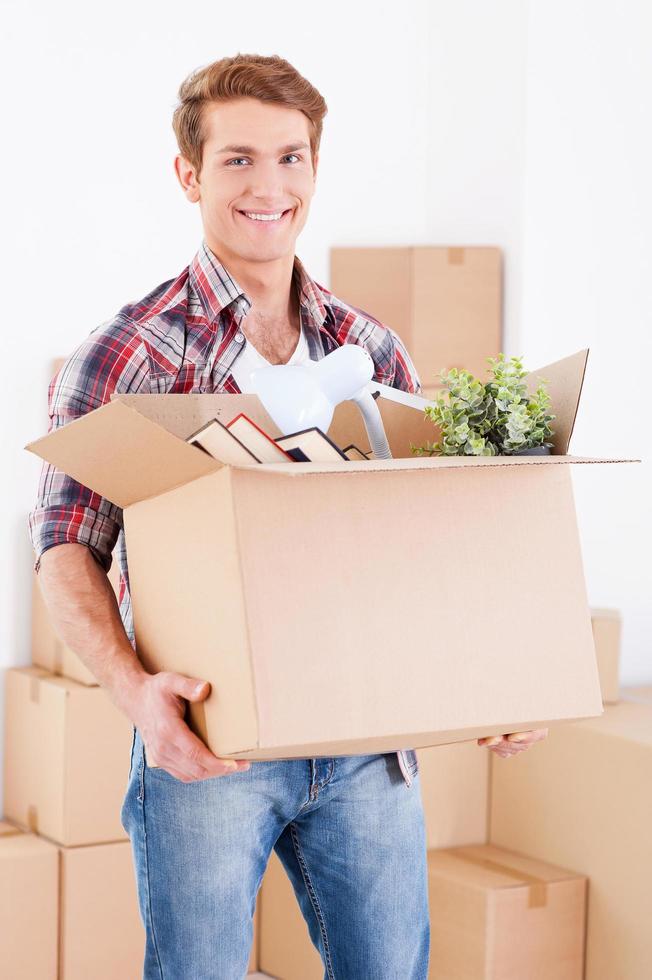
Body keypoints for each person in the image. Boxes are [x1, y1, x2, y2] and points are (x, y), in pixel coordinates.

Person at [28, 53, 548, 980]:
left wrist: (500, 678)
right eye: (237, 161)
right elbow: (66, 548)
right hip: (209, 748)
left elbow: (429, 534)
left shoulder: (366, 344)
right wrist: (136, 697)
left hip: (365, 747)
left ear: (314, 167)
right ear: (188, 173)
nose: (269, 186)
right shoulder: (129, 353)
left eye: (290, 157)